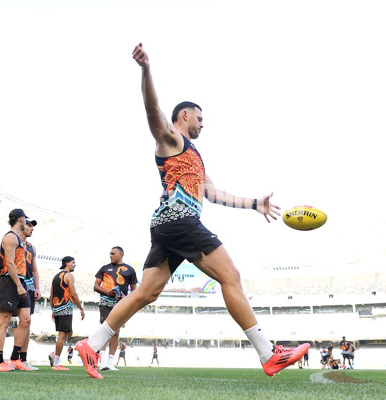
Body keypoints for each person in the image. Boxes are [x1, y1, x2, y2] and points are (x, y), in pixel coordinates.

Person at [75, 42, 309, 380]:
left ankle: (91, 345)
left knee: (145, 293)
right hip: (180, 221)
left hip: (167, 225)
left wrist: (255, 204)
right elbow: (152, 111)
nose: (203, 124)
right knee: (231, 276)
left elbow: (212, 193)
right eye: (200, 117)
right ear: (185, 116)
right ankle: (268, 353)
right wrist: (146, 70)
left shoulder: (195, 156)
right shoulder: (171, 139)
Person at [0, 209, 32, 372]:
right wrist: (18, 285)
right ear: (20, 219)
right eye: (25, 219)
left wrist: (21, 283)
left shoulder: (18, 239)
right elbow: (9, 263)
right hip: (10, 281)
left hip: (21, 281)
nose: (26, 222)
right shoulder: (10, 237)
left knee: (25, 320)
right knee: (4, 321)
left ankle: (16, 358)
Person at [93, 246, 137, 371]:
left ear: (121, 254)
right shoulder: (104, 268)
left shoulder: (130, 270)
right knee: (104, 331)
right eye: (110, 253)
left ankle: (110, 363)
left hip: (120, 304)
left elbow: (134, 290)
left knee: (116, 332)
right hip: (105, 303)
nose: (110, 255)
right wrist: (107, 292)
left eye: (113, 253)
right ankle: (101, 362)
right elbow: (96, 286)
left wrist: (126, 297)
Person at [49, 256, 85, 371]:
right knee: (63, 335)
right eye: (73, 263)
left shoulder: (55, 276)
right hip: (65, 307)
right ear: (66, 263)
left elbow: (51, 295)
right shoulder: (69, 275)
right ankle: (56, 363)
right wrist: (81, 308)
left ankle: (54, 353)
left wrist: (52, 310)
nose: (74, 265)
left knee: (69, 333)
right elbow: (73, 294)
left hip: (57, 307)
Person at [19, 217, 40, 371]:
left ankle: (23, 359)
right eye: (29, 225)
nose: (32, 228)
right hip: (14, 283)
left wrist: (37, 288)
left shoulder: (32, 247)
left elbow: (34, 270)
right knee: (4, 320)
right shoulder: (12, 241)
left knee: (27, 321)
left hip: (29, 286)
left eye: (33, 226)